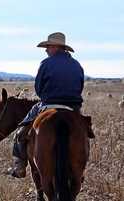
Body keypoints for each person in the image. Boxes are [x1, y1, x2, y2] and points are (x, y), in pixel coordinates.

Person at [8, 32, 93, 178]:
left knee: (22, 130)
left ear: (55, 47)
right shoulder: (77, 65)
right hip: (73, 107)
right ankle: (80, 169)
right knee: (85, 133)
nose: (46, 50)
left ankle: (20, 166)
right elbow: (80, 87)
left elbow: (38, 88)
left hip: (48, 104)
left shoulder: (46, 63)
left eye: (48, 47)